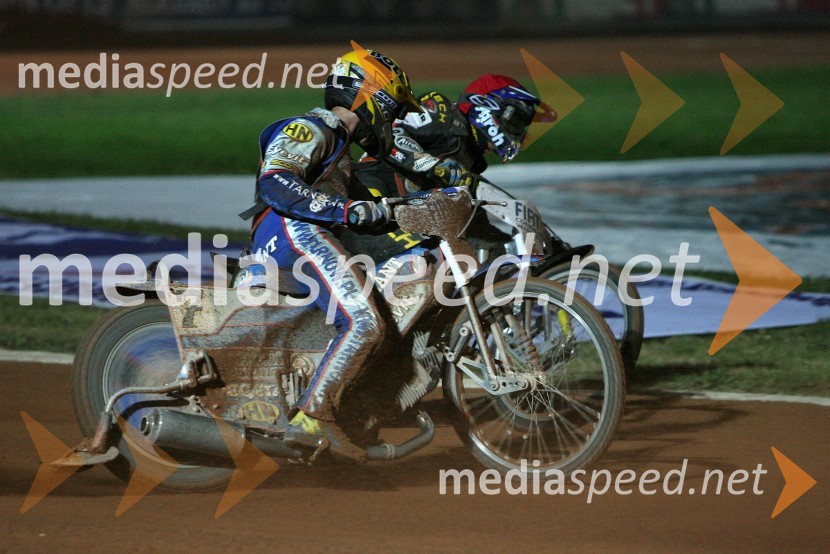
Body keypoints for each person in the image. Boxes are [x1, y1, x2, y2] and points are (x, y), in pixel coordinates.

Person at [237, 49, 420, 458]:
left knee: (365, 316)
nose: (393, 122)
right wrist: (346, 210)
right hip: (294, 231)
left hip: (290, 235)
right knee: (364, 322)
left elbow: (371, 212)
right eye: (394, 109)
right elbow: (276, 181)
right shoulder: (312, 128)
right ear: (374, 97)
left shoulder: (340, 148)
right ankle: (314, 416)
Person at [343, 74, 553, 261]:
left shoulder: (471, 161)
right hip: (367, 206)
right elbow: (392, 134)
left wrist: (507, 249)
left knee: (466, 258)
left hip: (400, 219)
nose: (518, 132)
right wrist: (432, 164)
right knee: (432, 259)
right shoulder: (440, 111)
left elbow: (473, 224)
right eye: (515, 121)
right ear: (484, 105)